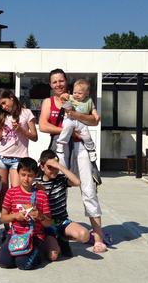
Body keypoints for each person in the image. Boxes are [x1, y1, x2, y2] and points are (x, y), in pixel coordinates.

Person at [39, 69, 107, 253]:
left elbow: (94, 120)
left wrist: (76, 117)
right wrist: (67, 131)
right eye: (54, 82)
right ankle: (52, 232)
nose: (58, 84)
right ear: (50, 84)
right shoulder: (48, 102)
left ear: (66, 81)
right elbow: (43, 125)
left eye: (61, 81)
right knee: (55, 191)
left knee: (89, 190)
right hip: (59, 147)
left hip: (80, 147)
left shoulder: (78, 97)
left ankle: (98, 237)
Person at [0, 158, 52, 270]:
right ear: (18, 174)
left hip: (35, 236)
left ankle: (39, 252)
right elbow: (3, 218)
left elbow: (49, 223)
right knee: (3, 262)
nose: (26, 179)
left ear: (35, 175)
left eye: (30, 175)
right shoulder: (11, 193)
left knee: (23, 264)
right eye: (23, 175)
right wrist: (15, 216)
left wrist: (40, 216)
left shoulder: (41, 195)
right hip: (15, 235)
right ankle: (18, 255)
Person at [36, 150, 90, 260]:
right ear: (42, 167)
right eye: (50, 167)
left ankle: (62, 238)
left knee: (84, 235)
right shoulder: (36, 182)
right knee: (53, 256)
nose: (54, 170)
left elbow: (77, 182)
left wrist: (60, 166)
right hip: (46, 224)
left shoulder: (61, 179)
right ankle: (53, 241)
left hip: (61, 221)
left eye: (55, 167)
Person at [0, 88, 38, 203]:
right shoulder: (2, 115)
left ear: (11, 98)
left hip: (18, 158)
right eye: (0, 105)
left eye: (4, 103)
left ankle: (15, 215)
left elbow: (35, 137)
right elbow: (0, 140)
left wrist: (21, 130)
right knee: (3, 191)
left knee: (16, 191)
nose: (3, 107)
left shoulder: (26, 113)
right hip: (0, 156)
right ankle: (6, 215)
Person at [55, 79, 102, 184]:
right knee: (66, 128)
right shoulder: (71, 97)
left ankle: (91, 150)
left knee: (86, 135)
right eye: (75, 92)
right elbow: (63, 97)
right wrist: (64, 97)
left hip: (81, 123)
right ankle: (60, 144)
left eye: (80, 93)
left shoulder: (89, 101)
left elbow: (93, 110)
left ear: (86, 93)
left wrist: (96, 115)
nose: (76, 95)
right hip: (70, 119)